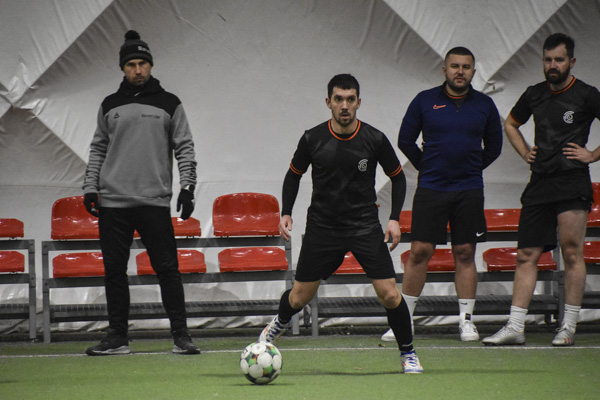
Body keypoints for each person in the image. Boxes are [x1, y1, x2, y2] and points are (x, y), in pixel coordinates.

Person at [258, 74, 423, 374]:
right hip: (323, 228)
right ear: (328, 102)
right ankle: (278, 324)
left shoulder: (374, 139)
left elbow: (398, 177)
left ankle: (408, 353)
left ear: (359, 102)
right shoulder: (312, 138)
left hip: (363, 226)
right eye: (338, 99)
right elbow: (293, 174)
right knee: (299, 297)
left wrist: (394, 219)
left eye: (350, 99)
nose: (344, 105)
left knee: (389, 294)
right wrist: (286, 212)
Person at [82, 30, 199, 355]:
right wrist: (90, 187)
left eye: (142, 64)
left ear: (150, 66)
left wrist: (188, 187)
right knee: (114, 273)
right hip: (113, 202)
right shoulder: (110, 105)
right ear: (123, 68)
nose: (137, 70)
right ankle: (117, 337)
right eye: (131, 64)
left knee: (168, 270)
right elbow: (98, 148)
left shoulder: (169, 103)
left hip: (154, 202)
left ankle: (181, 336)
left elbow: (185, 147)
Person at [483, 33, 600, 347]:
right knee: (526, 254)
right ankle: (515, 326)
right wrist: (524, 152)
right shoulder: (534, 93)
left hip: (572, 182)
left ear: (571, 62)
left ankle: (568, 327)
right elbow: (510, 124)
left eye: (559, 60)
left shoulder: (587, 94)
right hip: (540, 183)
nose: (552, 65)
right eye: (548, 60)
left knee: (572, 252)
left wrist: (592, 154)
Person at [382, 47, 503, 343]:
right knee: (419, 252)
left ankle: (466, 321)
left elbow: (495, 148)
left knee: (465, 253)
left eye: (466, 67)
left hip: (469, 190)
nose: (460, 71)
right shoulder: (424, 100)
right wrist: (428, 166)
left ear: (473, 71)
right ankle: (404, 322)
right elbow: (405, 140)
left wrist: (470, 168)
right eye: (455, 66)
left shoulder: (485, 105)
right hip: (431, 189)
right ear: (444, 69)